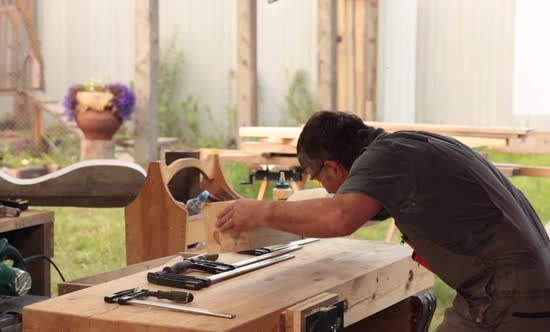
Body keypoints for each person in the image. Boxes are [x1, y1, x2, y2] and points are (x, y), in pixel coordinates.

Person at [216, 111, 550, 331]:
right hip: (519, 284)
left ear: (332, 168)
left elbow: (339, 217)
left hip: (508, 295)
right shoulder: (404, 146)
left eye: (318, 179)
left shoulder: (386, 157)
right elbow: (361, 211)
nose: (326, 188)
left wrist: (261, 211)